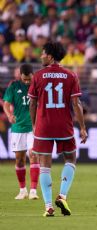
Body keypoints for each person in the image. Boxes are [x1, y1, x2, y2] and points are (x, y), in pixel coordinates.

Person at [28, 41, 88, 217]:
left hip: (44, 126)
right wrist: (82, 127)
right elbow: (76, 103)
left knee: (44, 165)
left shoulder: (38, 76)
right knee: (71, 158)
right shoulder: (71, 75)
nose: (41, 56)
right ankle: (62, 195)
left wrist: (34, 124)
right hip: (64, 125)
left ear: (51, 56)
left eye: (43, 53)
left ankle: (48, 206)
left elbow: (32, 103)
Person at [3, 63, 39, 200]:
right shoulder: (14, 86)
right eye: (24, 79)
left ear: (32, 75)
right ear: (20, 75)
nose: (27, 81)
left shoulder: (38, 86)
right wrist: (9, 115)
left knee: (33, 154)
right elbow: (6, 103)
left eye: (29, 78)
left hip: (33, 127)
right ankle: (22, 190)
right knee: (19, 160)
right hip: (18, 127)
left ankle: (33, 191)